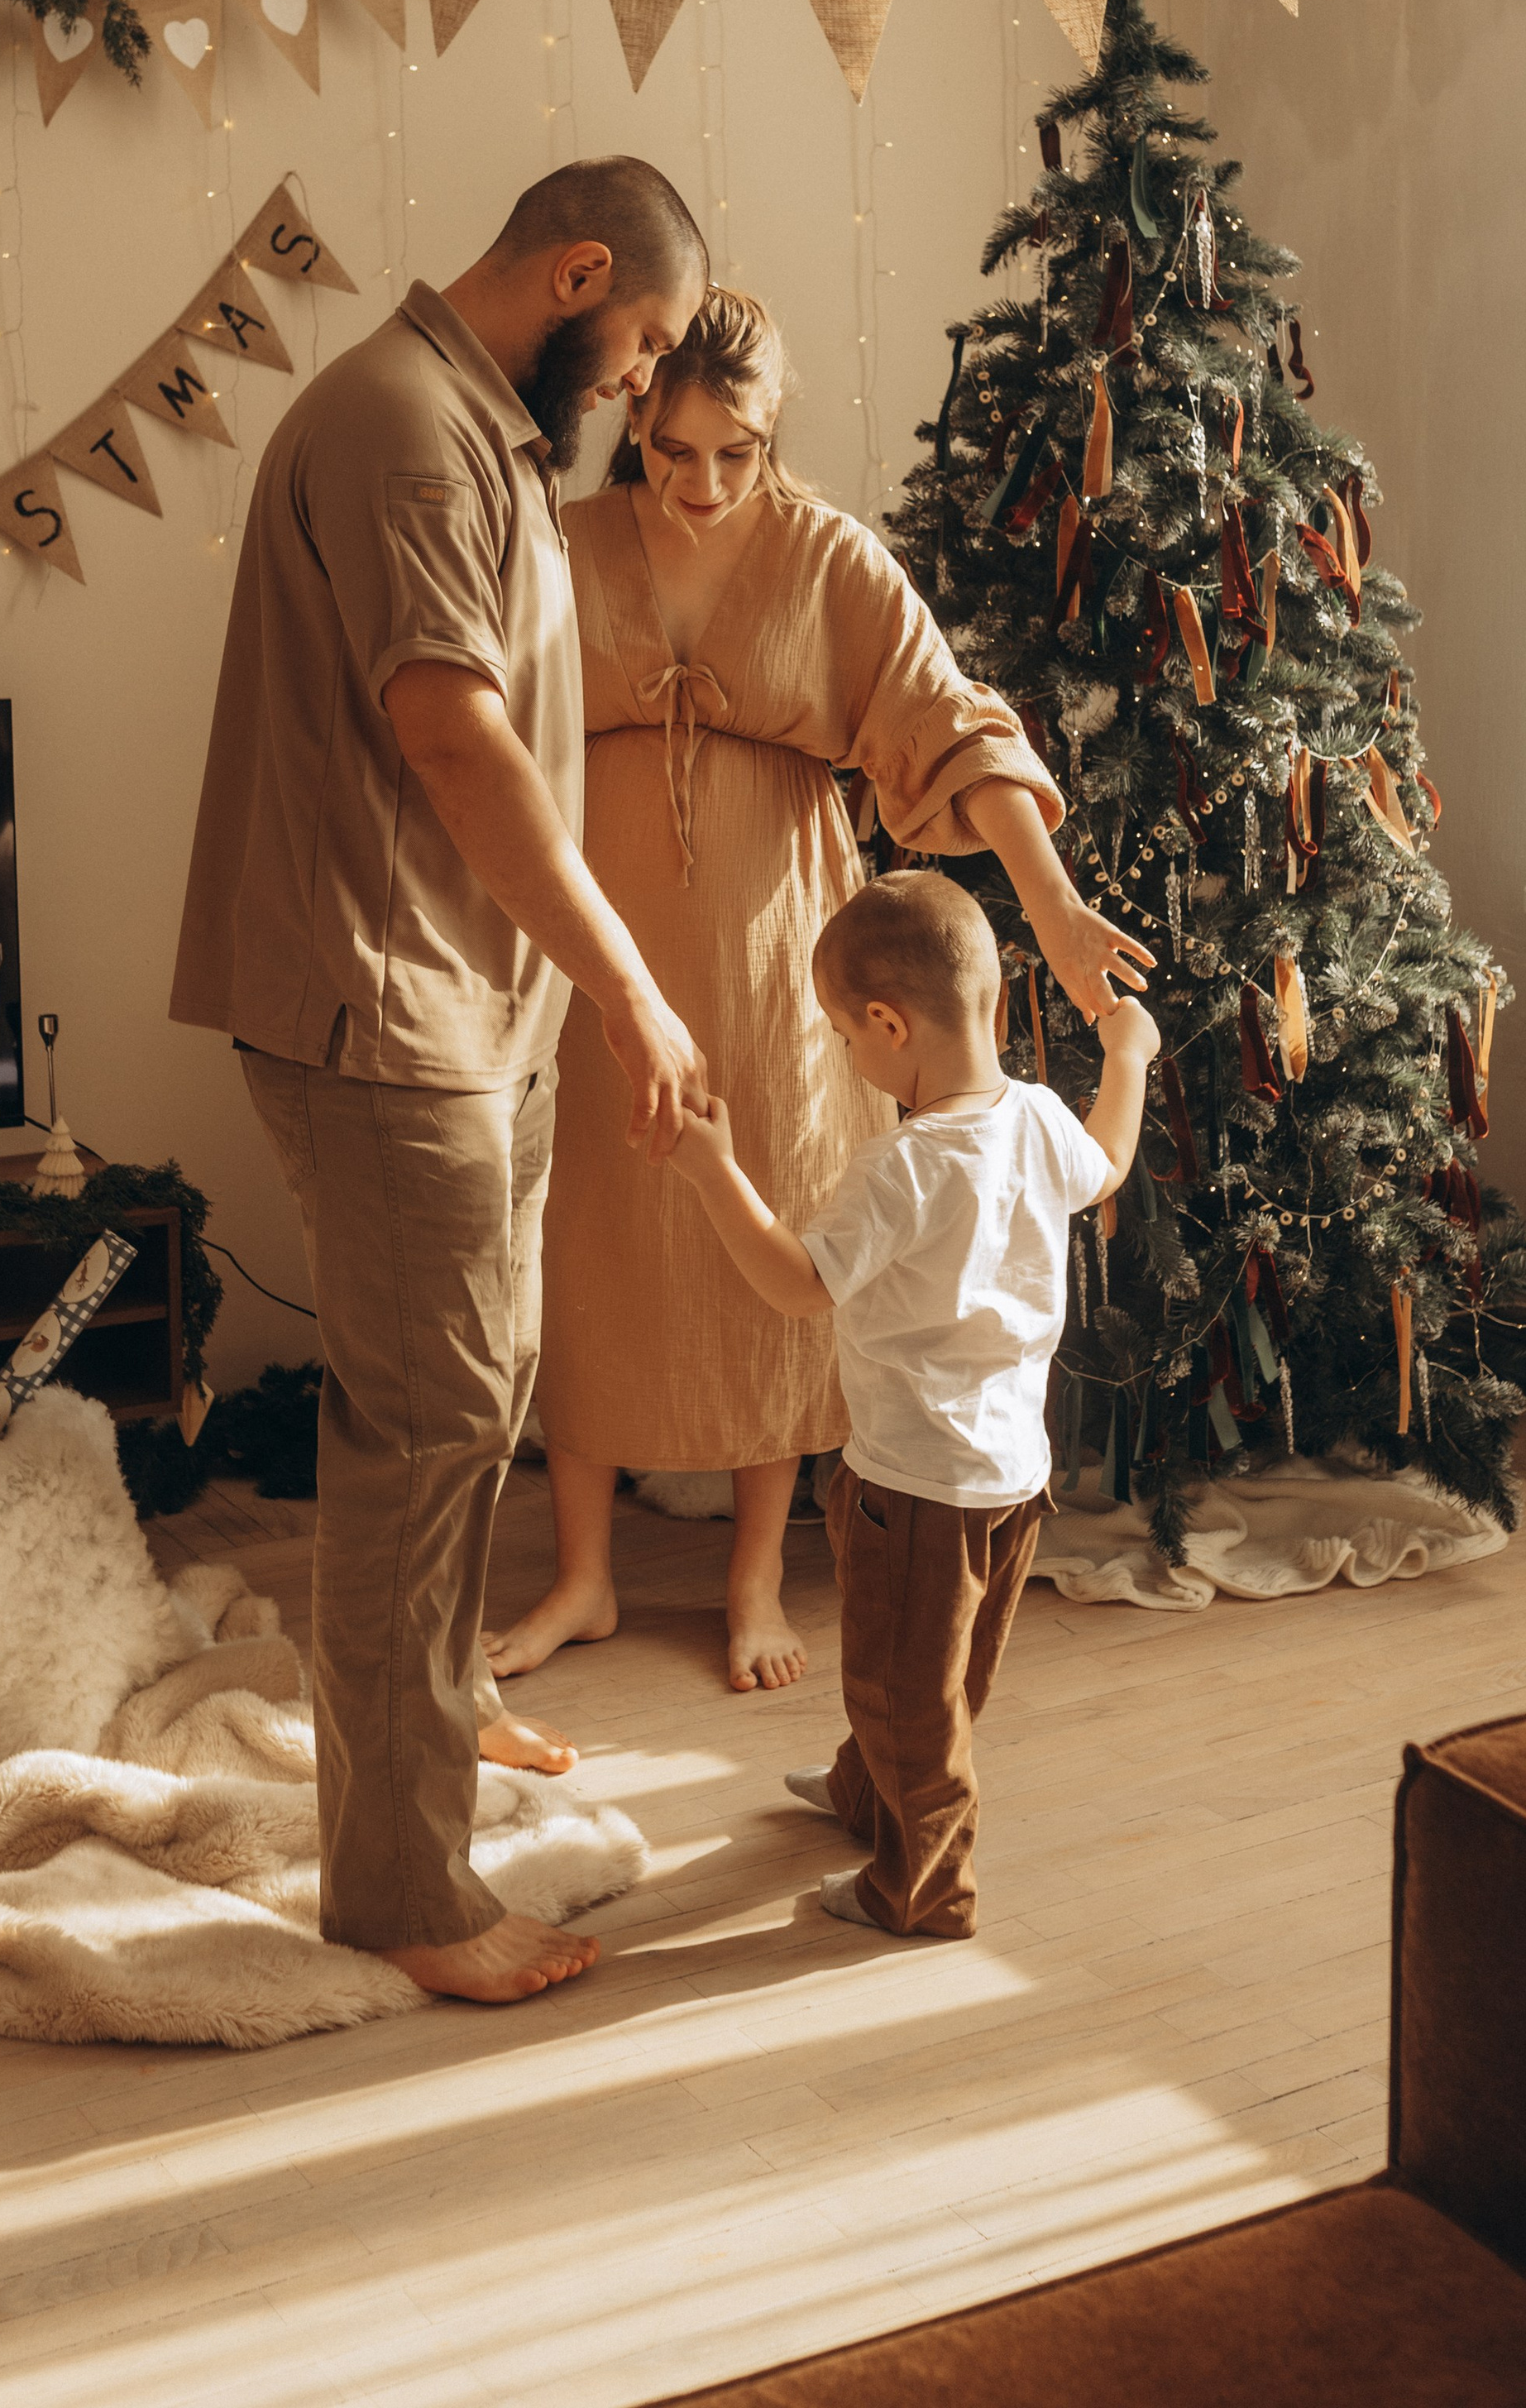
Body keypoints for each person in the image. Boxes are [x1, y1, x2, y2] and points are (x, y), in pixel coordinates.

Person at [170, 156, 711, 2006]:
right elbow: (447, 731)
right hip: (386, 1017)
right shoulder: (403, 429)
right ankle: (403, 1889)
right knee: (418, 1434)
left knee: (462, 1410)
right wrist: (627, 980)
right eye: (636, 349)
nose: (638, 392)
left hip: (468, 1015)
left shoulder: (474, 430)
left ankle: (430, 1711)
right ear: (572, 275)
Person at [484, 292, 1148, 1699]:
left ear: (771, 442)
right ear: (633, 425)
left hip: (782, 940)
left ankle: (749, 1577)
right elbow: (469, 715)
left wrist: (1054, 901)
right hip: (601, 942)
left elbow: (944, 716)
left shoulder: (828, 557)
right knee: (594, 1235)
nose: (704, 484)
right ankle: (585, 1573)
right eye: (673, 450)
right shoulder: (567, 539)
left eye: (737, 454)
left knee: (780, 1225)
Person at [667, 870, 1159, 1937]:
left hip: (912, 1486)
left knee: (906, 1698)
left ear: (889, 1024)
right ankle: (862, 1792)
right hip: (1010, 1484)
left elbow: (798, 1281)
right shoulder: (1033, 1118)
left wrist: (714, 1172)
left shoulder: (900, 1166)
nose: (849, 1056)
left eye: (845, 1037)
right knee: (941, 1675)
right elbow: (1108, 1162)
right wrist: (1128, 1054)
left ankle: (922, 1887)